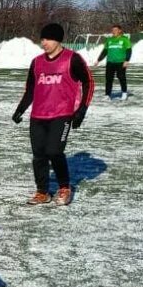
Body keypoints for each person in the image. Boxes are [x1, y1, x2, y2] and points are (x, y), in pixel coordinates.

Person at [12, 22, 93, 206]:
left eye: (47, 39)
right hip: (38, 116)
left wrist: (81, 110)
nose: (44, 43)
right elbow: (30, 88)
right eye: (42, 39)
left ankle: (64, 187)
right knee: (39, 154)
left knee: (54, 152)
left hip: (62, 114)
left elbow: (89, 82)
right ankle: (42, 192)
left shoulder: (72, 59)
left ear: (58, 39)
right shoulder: (37, 62)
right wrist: (20, 109)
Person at [95, 23, 131, 100]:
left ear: (120, 31)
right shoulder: (109, 40)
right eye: (113, 30)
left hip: (120, 62)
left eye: (115, 30)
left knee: (121, 77)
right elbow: (105, 51)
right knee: (108, 79)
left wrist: (127, 60)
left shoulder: (124, 39)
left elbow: (129, 50)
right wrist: (98, 60)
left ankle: (124, 93)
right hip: (110, 62)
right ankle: (107, 95)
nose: (114, 31)